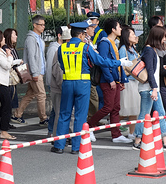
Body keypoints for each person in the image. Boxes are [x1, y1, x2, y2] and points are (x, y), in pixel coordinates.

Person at [52, 21, 130, 154]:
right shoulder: (85, 48)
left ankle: (59, 145)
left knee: (64, 114)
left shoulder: (61, 48)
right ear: (82, 35)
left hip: (67, 83)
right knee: (80, 116)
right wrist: (119, 62)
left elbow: (61, 64)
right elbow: (101, 61)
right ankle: (76, 147)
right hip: (82, 84)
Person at [87, 18, 131, 143]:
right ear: (113, 29)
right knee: (108, 107)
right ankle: (88, 127)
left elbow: (118, 63)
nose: (121, 29)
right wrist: (110, 79)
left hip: (115, 80)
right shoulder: (105, 43)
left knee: (115, 107)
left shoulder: (113, 42)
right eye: (119, 26)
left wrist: (120, 79)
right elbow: (103, 62)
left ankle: (116, 134)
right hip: (108, 80)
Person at [133, 26, 166, 149]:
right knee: (145, 114)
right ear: (158, 37)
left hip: (152, 88)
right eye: (164, 37)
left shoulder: (151, 50)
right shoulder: (149, 50)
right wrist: (154, 88)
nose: (165, 39)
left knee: (159, 113)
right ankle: (138, 139)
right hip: (149, 88)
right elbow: (149, 70)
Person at [14, 16, 48, 125]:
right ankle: (43, 118)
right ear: (35, 25)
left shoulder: (38, 38)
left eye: (44, 25)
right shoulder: (31, 38)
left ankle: (17, 114)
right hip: (35, 72)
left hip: (39, 71)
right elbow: (32, 57)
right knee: (41, 95)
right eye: (41, 24)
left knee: (30, 94)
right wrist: (34, 72)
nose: (43, 27)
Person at [46, 26, 69, 136]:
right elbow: (54, 70)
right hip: (57, 85)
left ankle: (54, 133)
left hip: (60, 85)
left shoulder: (60, 49)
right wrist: (60, 85)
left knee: (57, 111)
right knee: (57, 111)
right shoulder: (55, 49)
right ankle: (53, 133)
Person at [119, 25, 141, 139]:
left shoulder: (133, 49)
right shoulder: (123, 49)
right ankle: (114, 127)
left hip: (135, 80)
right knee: (125, 109)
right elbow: (121, 66)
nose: (135, 36)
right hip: (128, 81)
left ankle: (132, 133)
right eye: (132, 34)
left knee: (134, 109)